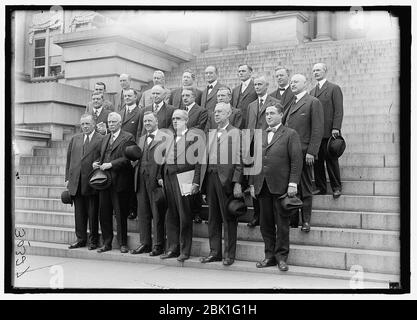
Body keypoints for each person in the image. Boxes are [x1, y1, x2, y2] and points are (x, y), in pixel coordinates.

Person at [249, 105, 303, 272]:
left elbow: (296, 160)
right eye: (267, 114)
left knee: (282, 224)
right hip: (262, 185)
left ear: (281, 115)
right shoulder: (260, 135)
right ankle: (269, 256)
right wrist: (252, 183)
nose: (269, 116)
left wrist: (293, 183)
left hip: (281, 186)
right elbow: (254, 161)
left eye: (272, 113)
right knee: (265, 224)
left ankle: (281, 258)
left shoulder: (290, 134)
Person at [200, 102, 243, 266]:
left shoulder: (236, 133)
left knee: (228, 218)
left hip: (226, 180)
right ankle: (214, 252)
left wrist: (238, 182)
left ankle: (229, 254)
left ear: (228, 114)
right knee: (213, 218)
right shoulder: (211, 134)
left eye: (220, 112)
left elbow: (240, 160)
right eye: (215, 112)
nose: (216, 114)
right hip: (210, 178)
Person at [282, 74, 324, 232]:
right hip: (289, 153)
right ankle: (293, 220)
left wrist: (312, 151)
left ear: (305, 83)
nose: (292, 84)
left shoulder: (313, 102)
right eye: (291, 82)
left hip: (305, 152)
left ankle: (305, 221)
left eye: (296, 82)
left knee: (305, 187)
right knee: (291, 186)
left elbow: (318, 128)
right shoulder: (291, 103)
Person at [161, 109, 203, 262]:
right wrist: (162, 176)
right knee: (171, 214)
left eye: (178, 118)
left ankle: (185, 250)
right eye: (173, 118)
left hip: (185, 178)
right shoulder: (169, 137)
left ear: (186, 120)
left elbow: (199, 162)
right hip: (168, 178)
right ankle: (173, 248)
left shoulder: (193, 137)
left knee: (184, 215)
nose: (175, 121)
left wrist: (196, 181)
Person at [93, 112, 135, 253]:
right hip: (104, 181)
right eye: (109, 122)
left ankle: (123, 243)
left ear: (120, 123)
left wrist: (111, 164)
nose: (110, 124)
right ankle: (107, 242)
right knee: (104, 213)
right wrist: (97, 163)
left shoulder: (127, 137)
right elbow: (102, 155)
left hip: (120, 181)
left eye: (113, 122)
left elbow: (127, 158)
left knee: (120, 214)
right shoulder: (105, 138)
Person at [130, 111, 168, 256]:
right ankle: (145, 243)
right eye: (145, 121)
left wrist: (161, 177)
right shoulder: (141, 139)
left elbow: (166, 159)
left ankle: (158, 245)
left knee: (157, 213)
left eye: (149, 121)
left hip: (155, 180)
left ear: (156, 122)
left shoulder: (164, 138)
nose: (147, 124)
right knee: (143, 213)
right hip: (140, 179)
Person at [65, 114, 103, 250]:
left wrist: (98, 163)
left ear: (94, 124)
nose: (85, 126)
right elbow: (69, 159)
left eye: (87, 124)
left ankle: (93, 240)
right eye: (83, 124)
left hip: (92, 181)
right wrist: (68, 179)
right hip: (76, 181)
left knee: (93, 213)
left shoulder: (101, 139)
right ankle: (80, 239)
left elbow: (102, 157)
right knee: (79, 213)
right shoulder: (75, 139)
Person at [245, 75, 279, 228]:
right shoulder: (251, 105)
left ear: (267, 86)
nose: (257, 87)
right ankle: (256, 214)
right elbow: (248, 126)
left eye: (260, 84)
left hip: (267, 144)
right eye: (255, 84)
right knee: (254, 180)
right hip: (253, 145)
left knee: (265, 179)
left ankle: (269, 215)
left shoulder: (275, 103)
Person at [310, 63, 344, 198]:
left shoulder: (334, 88)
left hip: (329, 132)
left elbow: (339, 110)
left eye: (318, 70)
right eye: (313, 71)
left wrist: (336, 127)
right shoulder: (312, 92)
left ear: (325, 71)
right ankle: (321, 187)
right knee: (317, 162)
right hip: (316, 134)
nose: (315, 72)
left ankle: (336, 187)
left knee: (331, 160)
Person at [181, 88, 208, 224]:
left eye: (187, 95)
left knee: (194, 179)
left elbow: (200, 126)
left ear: (194, 97)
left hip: (195, 145)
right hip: (182, 148)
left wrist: (185, 132)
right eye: (183, 96)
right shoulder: (180, 110)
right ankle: (188, 211)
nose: (184, 98)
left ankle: (197, 212)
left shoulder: (201, 110)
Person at [118, 88, 141, 220]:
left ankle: (133, 209)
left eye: (130, 95)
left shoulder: (140, 112)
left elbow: (139, 132)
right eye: (125, 96)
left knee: (133, 183)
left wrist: (136, 154)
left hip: (132, 152)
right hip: (121, 153)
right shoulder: (120, 113)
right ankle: (124, 209)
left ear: (135, 97)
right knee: (123, 182)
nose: (127, 98)